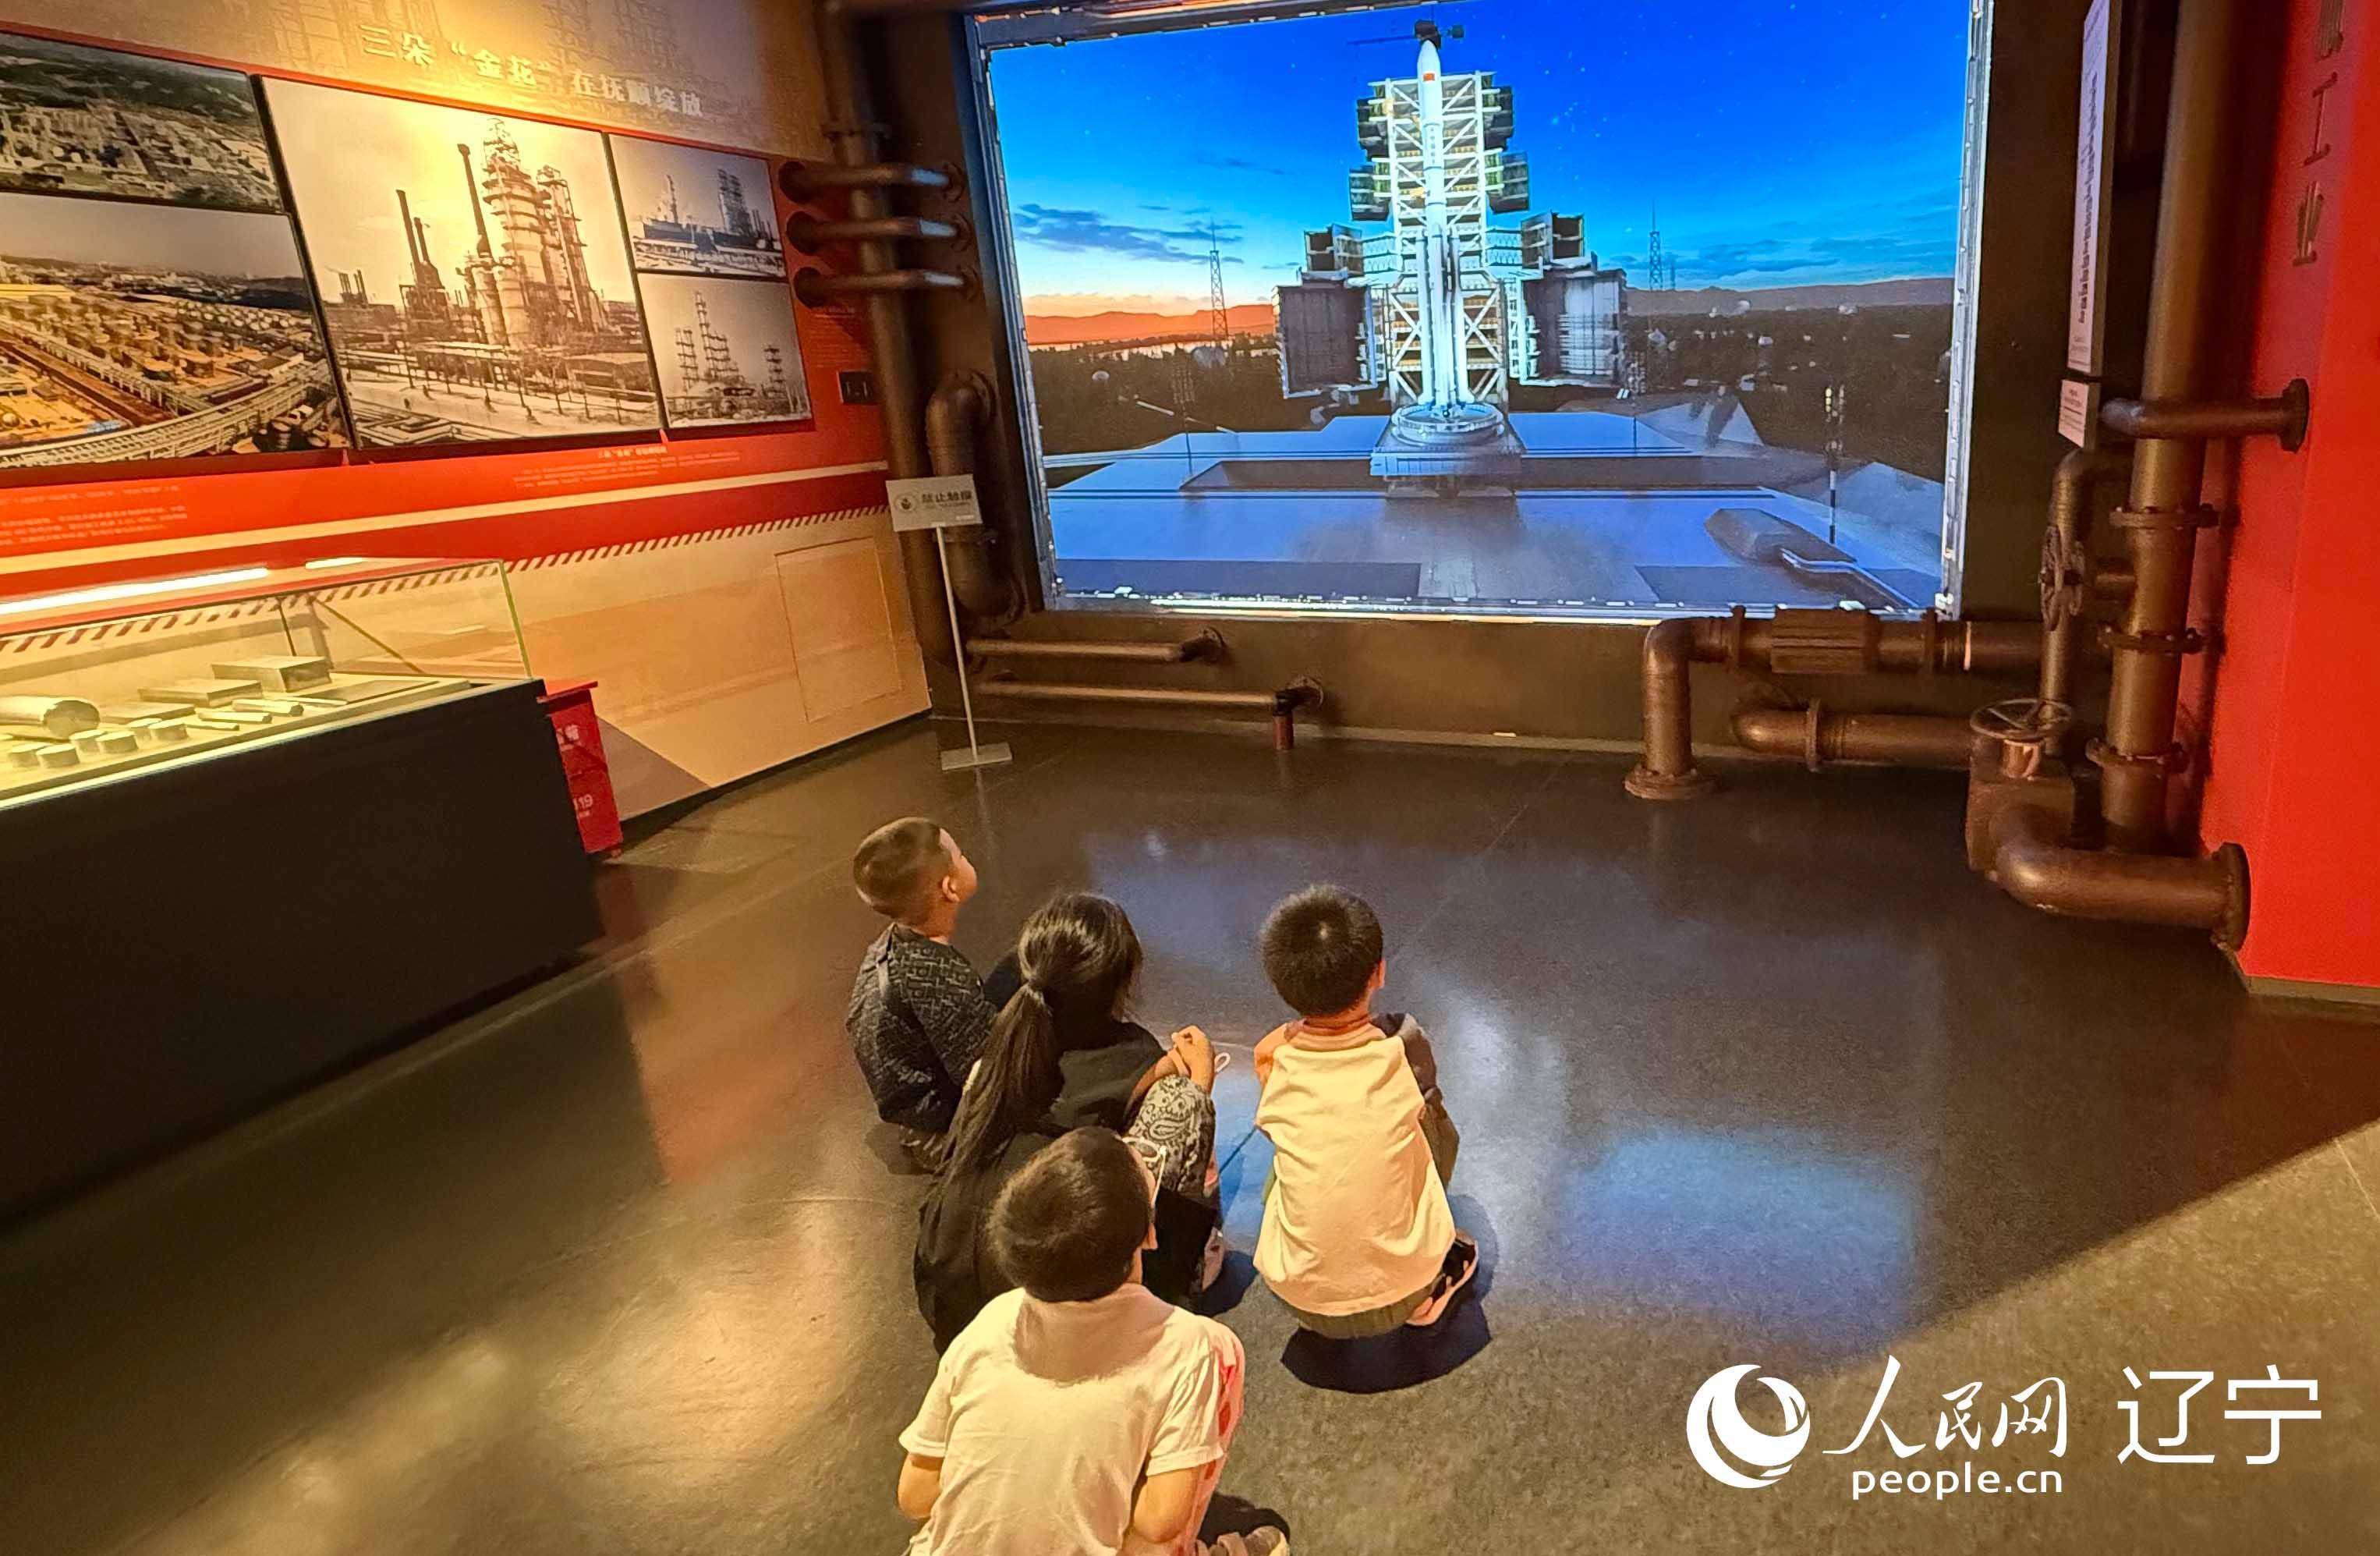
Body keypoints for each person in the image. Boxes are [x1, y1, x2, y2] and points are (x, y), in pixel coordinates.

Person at [897, 1128, 1287, 1556]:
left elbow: (915, 1494)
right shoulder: (1187, 1344)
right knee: (1224, 1351)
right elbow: (1160, 1520)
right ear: (1149, 1235)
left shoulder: (993, 1320)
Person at [916, 892, 1223, 1350]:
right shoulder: (1133, 1057)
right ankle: (1183, 1276)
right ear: (1124, 980)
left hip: (959, 1307)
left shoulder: (999, 1055)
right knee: (1184, 1103)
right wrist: (1199, 1083)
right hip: (1064, 1323)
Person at [1251, 884, 1475, 1336]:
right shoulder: (1402, 1046)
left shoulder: (1273, 1057)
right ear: (1379, 973)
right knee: (1430, 1124)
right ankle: (1432, 1290)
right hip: (1405, 1289)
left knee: (1295, 1153)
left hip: (1297, 1296)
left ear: (1280, 985)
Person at [845, 817, 997, 1169]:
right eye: (960, 855)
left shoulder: (890, 946)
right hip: (941, 1134)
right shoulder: (938, 980)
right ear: (950, 888)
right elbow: (985, 1075)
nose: (966, 857)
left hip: (916, 1106)